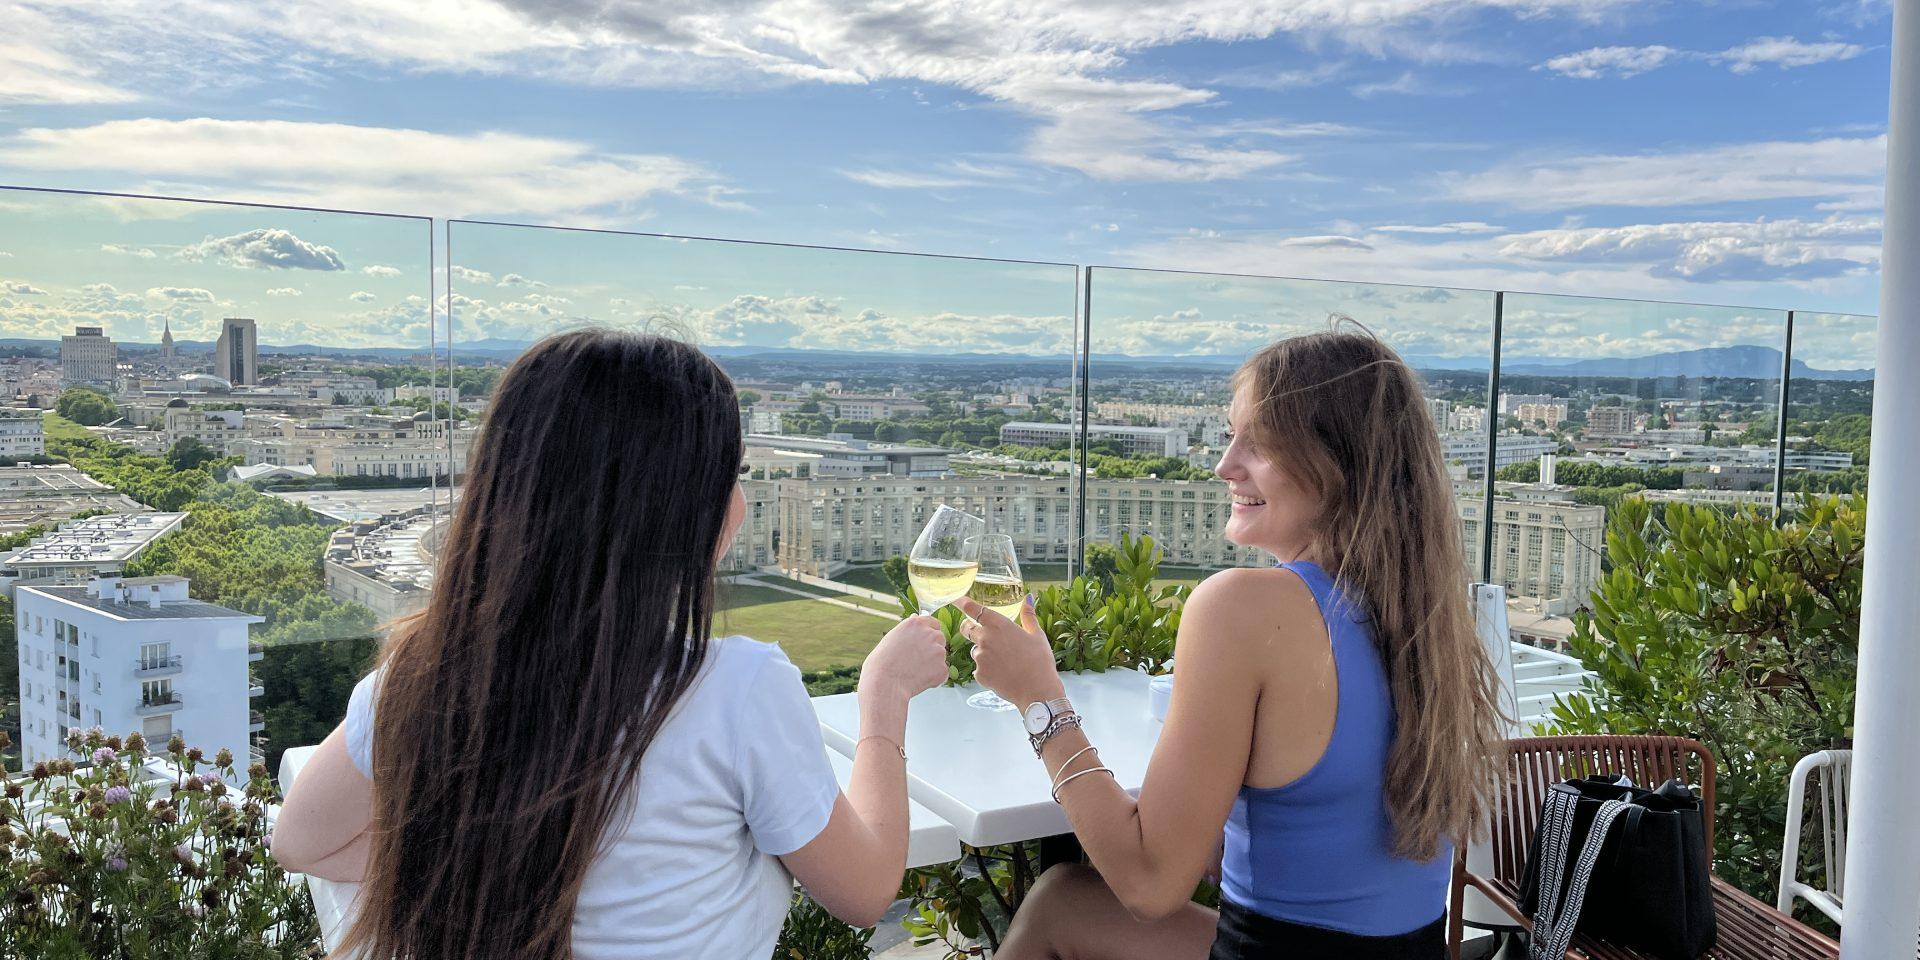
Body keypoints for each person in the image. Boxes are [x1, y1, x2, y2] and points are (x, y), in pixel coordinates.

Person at [272, 328, 950, 960]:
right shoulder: (737, 691)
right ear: (671, 507)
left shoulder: (421, 680)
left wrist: (494, 852)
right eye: (729, 474)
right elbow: (865, 892)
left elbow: (300, 840)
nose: (738, 501)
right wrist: (883, 697)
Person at [958, 329, 1506, 959]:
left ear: (1340, 466)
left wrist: (1038, 699)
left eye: (1262, 444)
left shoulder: (1244, 609)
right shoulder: (1422, 611)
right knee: (1062, 898)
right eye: (1230, 435)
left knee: (1059, 902)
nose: (1225, 465)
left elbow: (1150, 884)